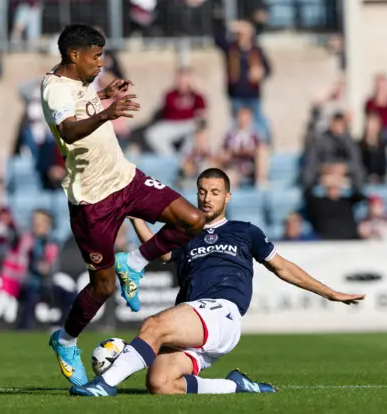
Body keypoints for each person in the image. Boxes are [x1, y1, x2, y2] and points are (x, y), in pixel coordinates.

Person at [70, 168, 365, 397]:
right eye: (202, 191)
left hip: (221, 312)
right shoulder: (185, 232)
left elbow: (283, 267)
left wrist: (329, 293)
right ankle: (235, 386)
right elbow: (160, 254)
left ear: (227, 197)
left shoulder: (245, 231)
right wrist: (135, 218)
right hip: (195, 317)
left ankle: (104, 384)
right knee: (160, 384)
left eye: (215, 192)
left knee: (153, 326)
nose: (207, 197)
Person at [40, 24, 205, 386]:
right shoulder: (54, 88)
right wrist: (106, 113)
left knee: (193, 220)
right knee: (102, 288)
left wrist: (101, 98)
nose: (101, 64)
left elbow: (83, 107)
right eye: (96, 57)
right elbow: (68, 130)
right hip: (92, 201)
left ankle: (135, 262)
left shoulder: (81, 82)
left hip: (125, 179)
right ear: (74, 55)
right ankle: (66, 341)